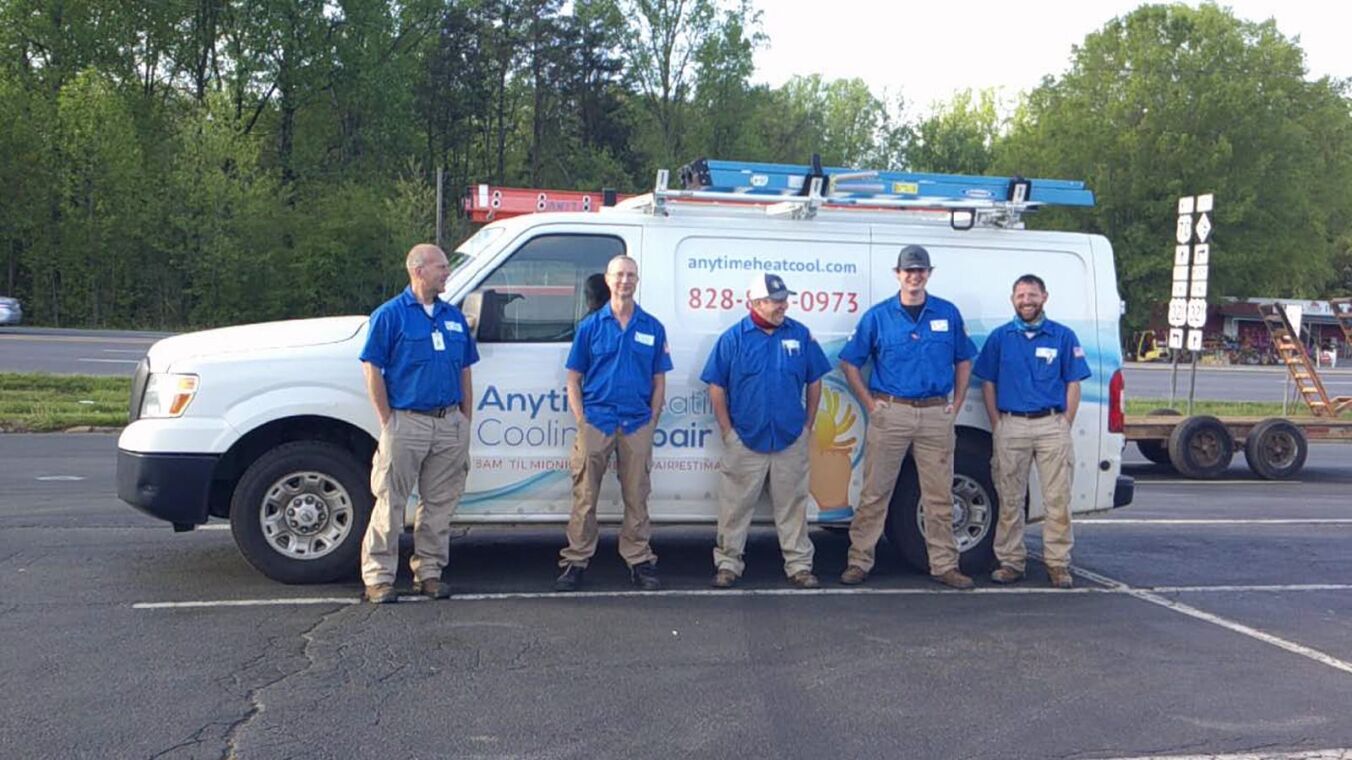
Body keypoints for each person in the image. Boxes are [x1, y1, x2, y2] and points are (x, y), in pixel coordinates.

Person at [838, 245, 977, 589]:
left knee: (939, 494)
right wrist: (870, 404)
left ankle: (944, 565)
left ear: (929, 273)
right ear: (897, 274)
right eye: (908, 271)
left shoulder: (947, 313)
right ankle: (859, 561)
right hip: (892, 412)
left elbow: (963, 359)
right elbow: (850, 361)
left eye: (920, 271)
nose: (914, 277)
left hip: (934, 415)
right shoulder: (878, 316)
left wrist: (957, 403)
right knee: (875, 492)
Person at [358, 243, 478, 604]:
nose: (447, 273)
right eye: (441, 267)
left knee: (439, 505)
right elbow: (372, 369)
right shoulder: (390, 315)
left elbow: (465, 371)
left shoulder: (453, 317)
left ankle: (429, 572)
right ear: (418, 270)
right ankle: (378, 577)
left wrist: (464, 419)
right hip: (407, 422)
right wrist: (387, 419)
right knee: (390, 503)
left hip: (448, 424)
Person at [701, 273, 833, 589]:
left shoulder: (800, 335)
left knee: (793, 507)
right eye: (776, 300)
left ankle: (799, 566)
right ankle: (729, 564)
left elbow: (815, 380)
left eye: (784, 299)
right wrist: (728, 431)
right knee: (734, 507)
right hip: (745, 439)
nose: (782, 305)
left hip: (789, 438)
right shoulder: (733, 338)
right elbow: (716, 386)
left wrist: (807, 426)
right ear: (756, 302)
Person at [555, 255, 673, 592]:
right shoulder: (590, 327)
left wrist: (651, 421)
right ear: (608, 280)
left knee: (637, 496)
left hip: (636, 422)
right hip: (597, 420)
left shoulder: (652, 327)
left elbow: (659, 380)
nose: (625, 281)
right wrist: (582, 420)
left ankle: (638, 560)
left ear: (637, 281)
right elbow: (574, 379)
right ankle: (575, 561)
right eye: (619, 275)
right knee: (585, 496)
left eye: (631, 275)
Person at [975, 274, 1090, 589]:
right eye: (1021, 295)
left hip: (1051, 425)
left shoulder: (1063, 337)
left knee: (1057, 499)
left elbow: (1074, 382)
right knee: (1010, 499)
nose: (1027, 300)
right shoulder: (1000, 338)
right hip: (1011, 424)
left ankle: (1058, 564)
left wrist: (1065, 421)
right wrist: (997, 422)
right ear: (1013, 299)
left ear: (1045, 297)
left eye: (1033, 295)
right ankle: (1011, 562)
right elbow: (987, 381)